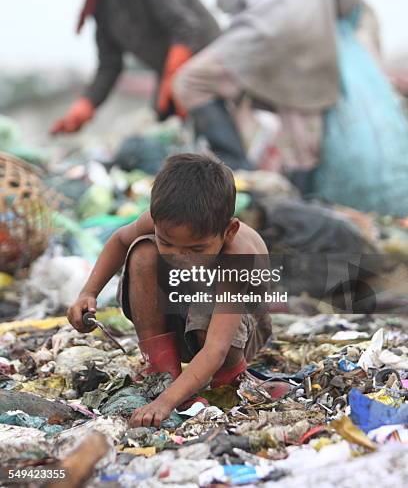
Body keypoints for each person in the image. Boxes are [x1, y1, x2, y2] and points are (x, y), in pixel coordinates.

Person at [173, 0, 361, 190]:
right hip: (316, 42)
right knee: (301, 143)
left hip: (265, 32)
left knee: (190, 81)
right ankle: (301, 209)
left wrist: (242, 7)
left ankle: (237, 174)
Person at [67, 154, 274, 427]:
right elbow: (119, 241)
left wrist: (165, 403)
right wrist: (88, 292)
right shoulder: (158, 221)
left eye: (196, 249)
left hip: (235, 337)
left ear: (229, 231)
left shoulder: (238, 256)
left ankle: (229, 380)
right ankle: (163, 373)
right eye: (168, 244)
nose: (179, 257)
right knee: (142, 251)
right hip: (181, 318)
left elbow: (215, 348)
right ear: (154, 218)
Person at [51, 0, 220, 134]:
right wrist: (85, 105)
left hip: (208, 65)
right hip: (173, 76)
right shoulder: (101, 2)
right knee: (160, 134)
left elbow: (186, 27)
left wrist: (173, 77)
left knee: (217, 139)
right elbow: (109, 64)